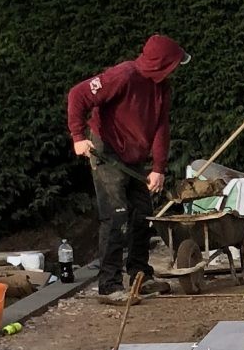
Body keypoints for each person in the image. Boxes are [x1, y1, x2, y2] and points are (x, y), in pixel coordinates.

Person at [65, 34, 187, 300]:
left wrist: (158, 168)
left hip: (134, 156)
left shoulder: (161, 87)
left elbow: (161, 127)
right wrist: (78, 137)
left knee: (143, 214)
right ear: (160, 63)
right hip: (107, 149)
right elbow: (78, 94)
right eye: (173, 63)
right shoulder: (123, 75)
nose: (175, 69)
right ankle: (109, 285)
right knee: (116, 215)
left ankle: (140, 276)